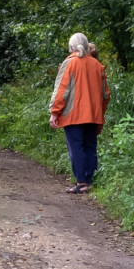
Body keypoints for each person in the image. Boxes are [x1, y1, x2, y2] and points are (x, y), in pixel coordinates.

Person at [49, 33, 110, 194]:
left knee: (76, 148)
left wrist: (55, 112)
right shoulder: (97, 65)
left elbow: (62, 90)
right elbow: (105, 95)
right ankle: (88, 181)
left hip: (73, 115)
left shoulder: (70, 63)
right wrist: (100, 114)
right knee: (90, 147)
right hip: (93, 115)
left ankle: (81, 182)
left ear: (71, 47)